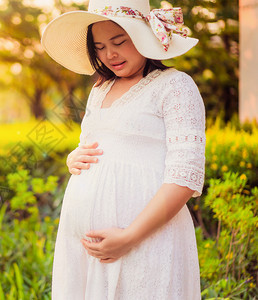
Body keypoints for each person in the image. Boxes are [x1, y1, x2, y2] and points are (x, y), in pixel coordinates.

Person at [41, 0, 206, 299]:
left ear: (144, 36)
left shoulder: (175, 86)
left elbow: (185, 176)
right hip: (84, 251)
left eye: (120, 41)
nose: (110, 54)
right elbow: (96, 146)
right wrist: (73, 158)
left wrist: (129, 237)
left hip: (146, 239)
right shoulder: (99, 89)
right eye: (100, 46)